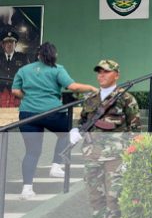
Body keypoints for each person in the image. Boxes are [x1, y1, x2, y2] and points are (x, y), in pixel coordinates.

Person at [11, 42, 98, 200]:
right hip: (52, 112)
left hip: (28, 114)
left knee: (31, 152)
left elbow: (15, 91)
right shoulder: (57, 69)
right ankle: (56, 165)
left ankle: (27, 189)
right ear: (54, 55)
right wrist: (92, 88)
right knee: (67, 134)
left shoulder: (23, 70)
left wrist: (30, 98)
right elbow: (72, 87)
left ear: (38, 55)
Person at [70, 60, 140, 218]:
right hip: (92, 154)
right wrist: (75, 130)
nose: (101, 75)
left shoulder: (126, 99)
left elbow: (135, 129)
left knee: (113, 196)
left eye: (106, 72)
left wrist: (130, 156)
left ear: (116, 74)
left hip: (115, 155)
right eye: (99, 72)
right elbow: (83, 121)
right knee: (95, 195)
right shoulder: (90, 99)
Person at [1, 31, 28, 108]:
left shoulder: (23, 57)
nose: (9, 44)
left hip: (17, 94)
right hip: (1, 93)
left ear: (15, 44)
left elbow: (28, 75)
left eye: (12, 42)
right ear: (3, 45)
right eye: (6, 42)